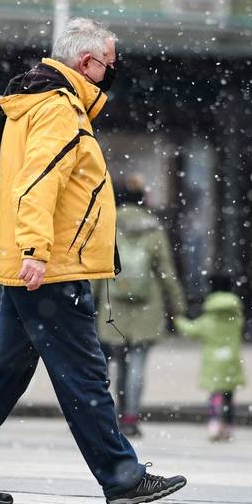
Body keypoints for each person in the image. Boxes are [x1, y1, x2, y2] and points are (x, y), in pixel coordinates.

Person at [0, 18, 186, 504]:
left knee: (0, 376)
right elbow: (37, 184)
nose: (112, 73)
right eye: (109, 64)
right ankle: (122, 476)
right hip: (52, 269)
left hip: (37, 265)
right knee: (84, 376)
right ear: (87, 64)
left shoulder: (35, 102)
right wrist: (35, 253)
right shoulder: (59, 110)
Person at [95, 175, 185, 438]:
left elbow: (96, 269)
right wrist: (177, 306)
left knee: (118, 362)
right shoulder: (153, 229)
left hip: (115, 305)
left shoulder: (108, 225)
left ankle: (118, 415)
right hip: (148, 306)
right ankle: (132, 417)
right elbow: (166, 272)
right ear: (144, 201)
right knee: (138, 362)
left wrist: (88, 300)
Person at [175, 273, 245, 442]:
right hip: (231, 362)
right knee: (229, 396)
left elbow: (191, 330)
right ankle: (228, 426)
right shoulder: (237, 318)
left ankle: (214, 423)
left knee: (215, 395)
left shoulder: (208, 320)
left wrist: (178, 319)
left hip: (213, 363)